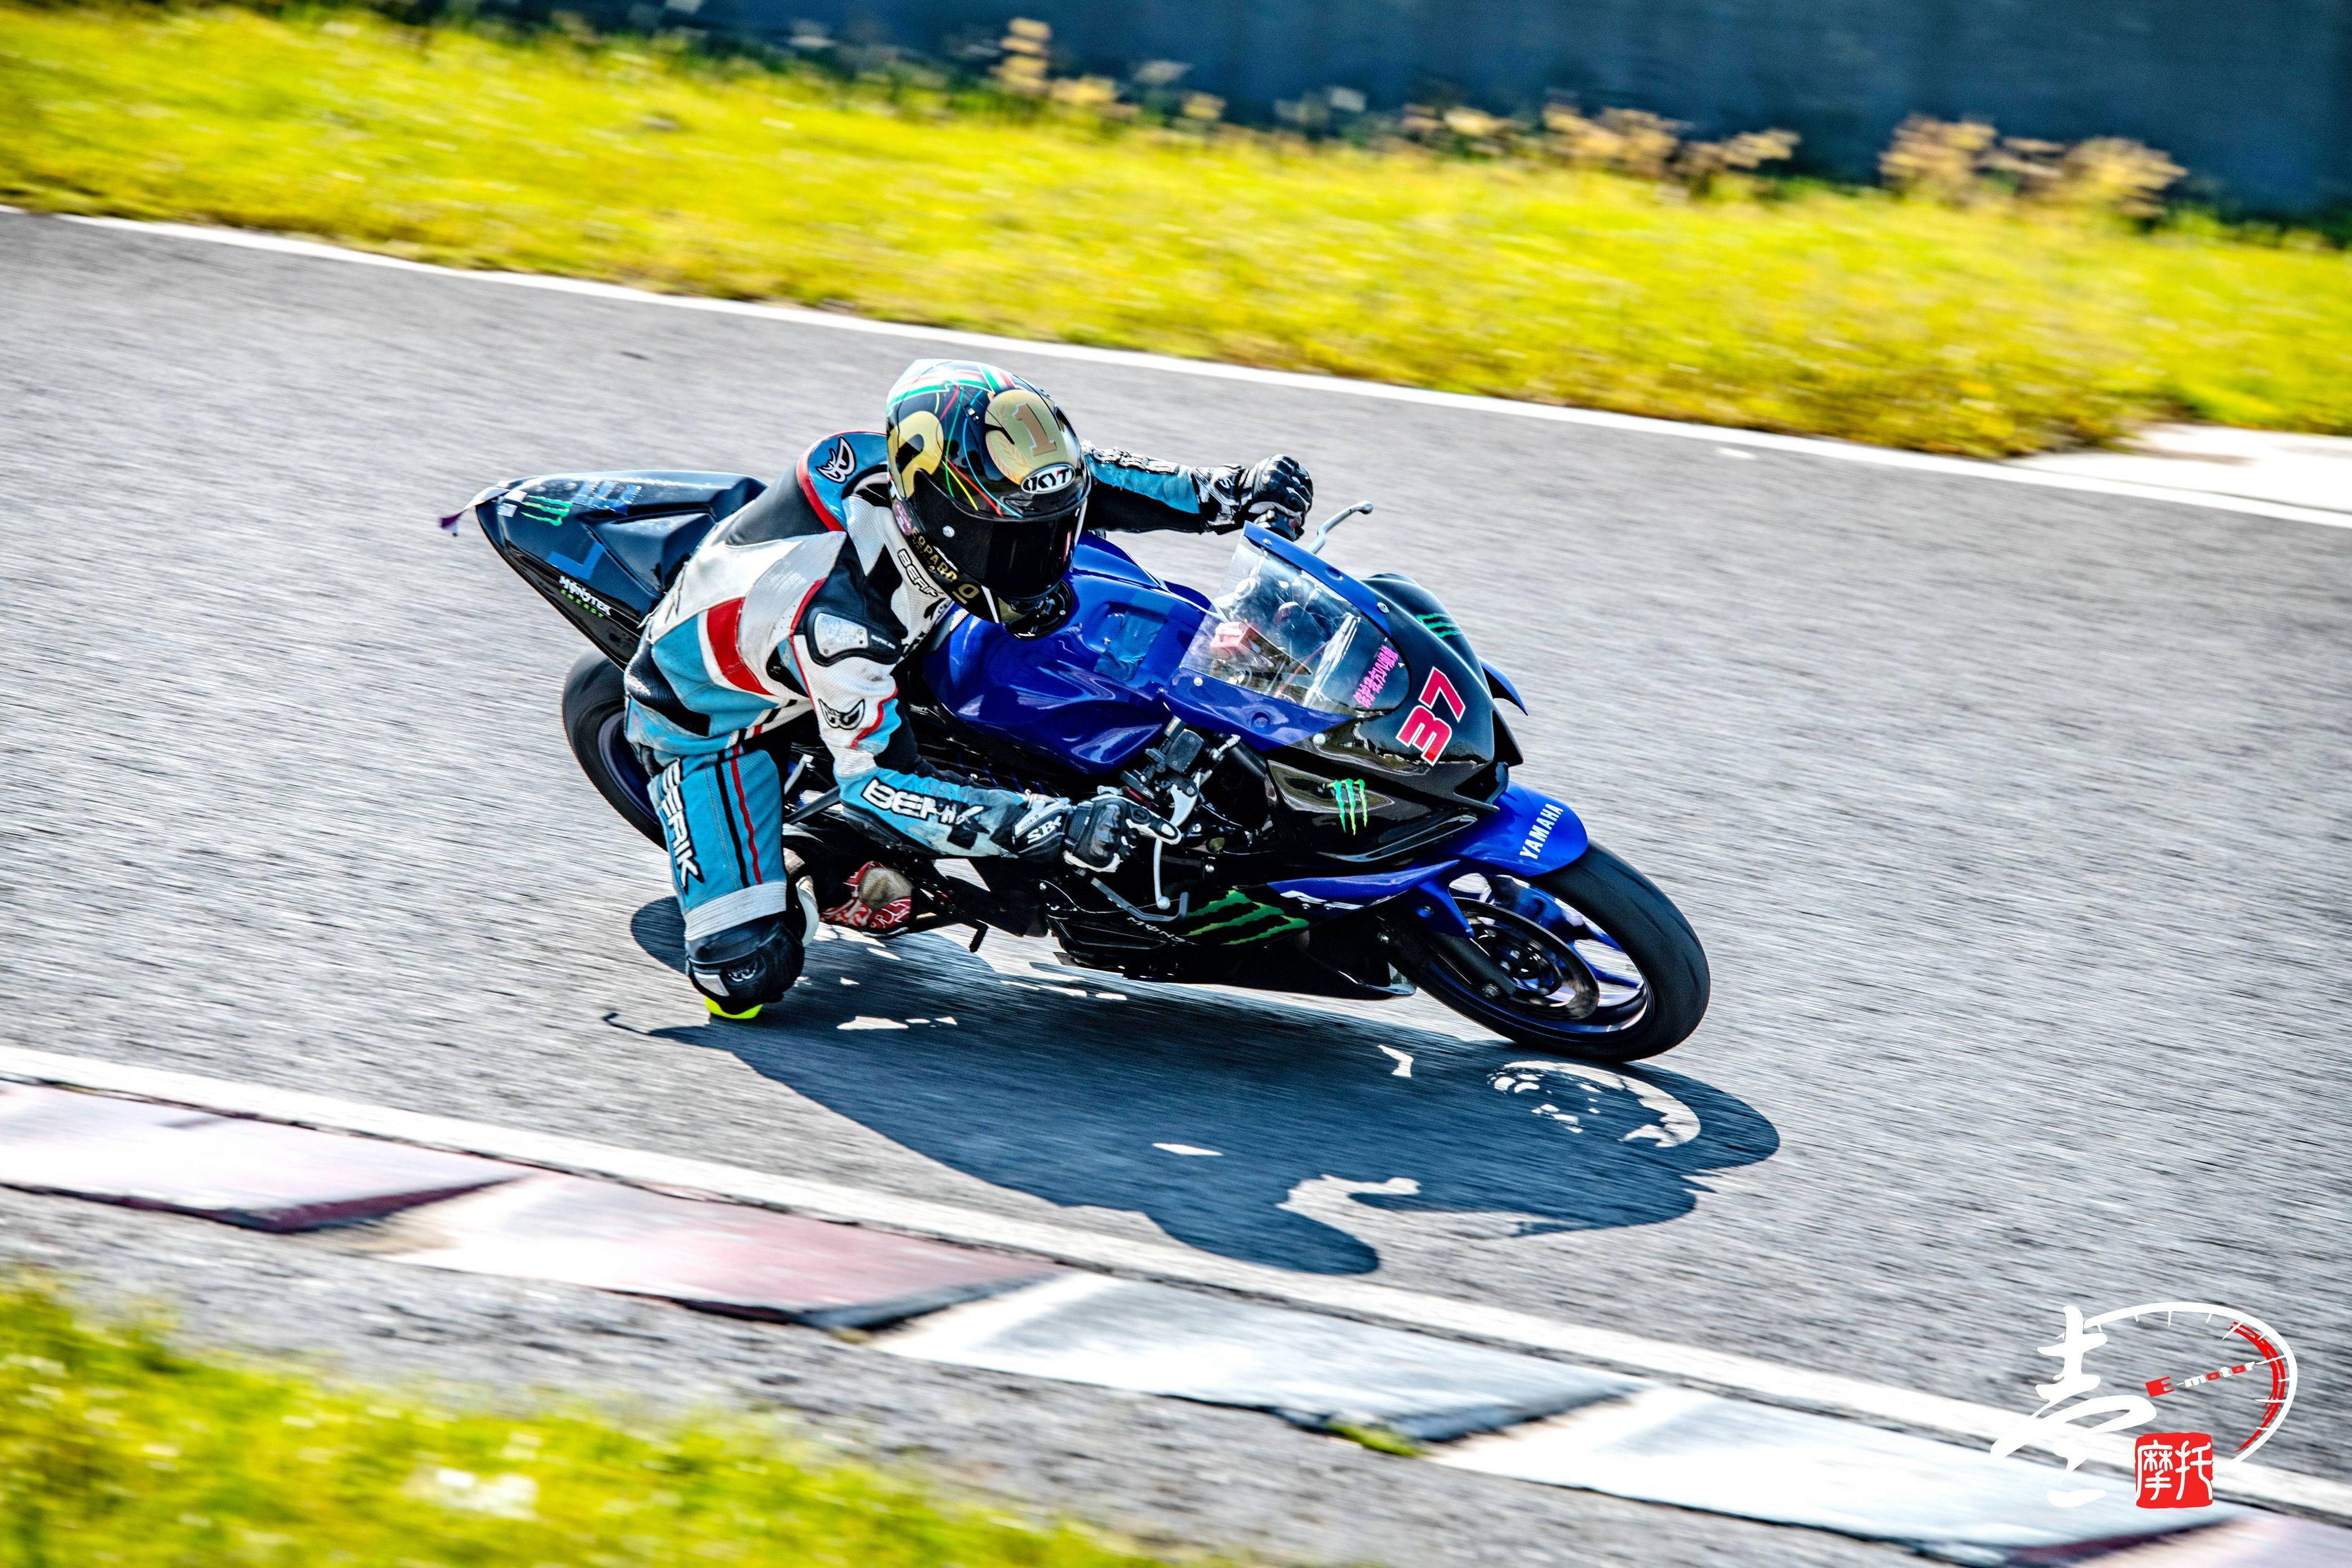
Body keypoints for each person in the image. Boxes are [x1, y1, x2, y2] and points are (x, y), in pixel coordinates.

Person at [624, 359, 1314, 1019]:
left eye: (1049, 533)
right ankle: (812, 871)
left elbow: (1085, 476)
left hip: (903, 623)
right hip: (719, 723)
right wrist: (1053, 825)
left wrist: (1228, 490)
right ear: (945, 526)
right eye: (1017, 544)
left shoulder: (936, 485)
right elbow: (879, 789)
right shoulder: (844, 625)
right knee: (745, 977)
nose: (1046, 555)